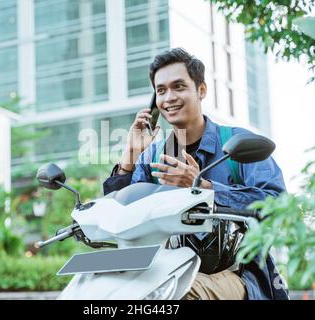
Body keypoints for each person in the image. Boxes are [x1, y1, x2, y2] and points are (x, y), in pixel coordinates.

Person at [103, 48, 289, 300]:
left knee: (178, 292)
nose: (169, 97)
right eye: (161, 90)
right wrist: (130, 156)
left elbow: (278, 206)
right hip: (166, 266)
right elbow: (119, 216)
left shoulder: (238, 143)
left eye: (179, 86)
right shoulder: (152, 155)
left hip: (235, 273)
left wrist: (203, 187)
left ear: (201, 90)